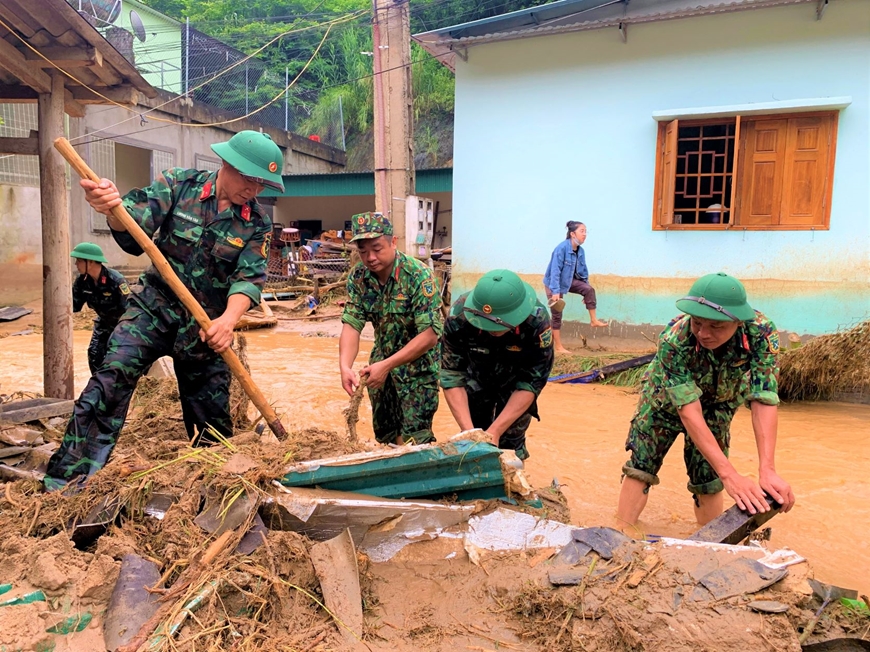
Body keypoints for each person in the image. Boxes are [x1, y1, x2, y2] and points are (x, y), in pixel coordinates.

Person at [44, 130, 283, 491]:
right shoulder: (179, 185)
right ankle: (67, 481)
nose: (253, 190)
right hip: (152, 310)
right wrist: (110, 210)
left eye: (261, 184)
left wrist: (227, 322)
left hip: (207, 326)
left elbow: (249, 278)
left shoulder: (256, 224)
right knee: (110, 378)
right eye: (249, 180)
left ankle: (213, 490)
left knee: (212, 418)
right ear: (226, 164)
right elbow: (132, 226)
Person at [615, 272, 795, 531]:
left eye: (716, 326)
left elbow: (764, 398)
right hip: (662, 402)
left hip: (718, 403)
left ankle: (711, 544)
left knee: (708, 477)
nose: (703, 333)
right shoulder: (674, 339)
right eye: (697, 322)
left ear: (738, 322)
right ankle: (621, 533)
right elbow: (688, 411)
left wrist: (767, 469)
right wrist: (731, 474)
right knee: (641, 466)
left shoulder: (761, 333)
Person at [339, 212, 443, 445]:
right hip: (380, 370)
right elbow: (352, 324)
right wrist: (344, 366)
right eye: (363, 251)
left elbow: (430, 336)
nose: (370, 257)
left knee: (416, 440)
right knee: (386, 437)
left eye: (376, 248)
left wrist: (387, 366)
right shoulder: (359, 277)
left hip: (418, 371)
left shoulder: (418, 276)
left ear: (393, 242)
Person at [440, 269, 554, 460]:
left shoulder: (537, 322)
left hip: (515, 384)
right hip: (475, 378)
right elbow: (452, 374)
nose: (492, 331)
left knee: (510, 445)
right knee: (474, 439)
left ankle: (512, 487)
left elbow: (531, 382)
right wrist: (470, 434)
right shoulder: (459, 317)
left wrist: (496, 430)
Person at [544, 221, 607, 354]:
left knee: (589, 290)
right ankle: (558, 347)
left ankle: (594, 320)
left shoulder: (581, 251)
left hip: (567, 281)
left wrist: (585, 291)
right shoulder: (561, 249)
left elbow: (583, 271)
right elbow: (555, 271)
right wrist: (555, 291)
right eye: (582, 231)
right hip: (553, 283)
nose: (585, 234)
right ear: (573, 234)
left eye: (586, 231)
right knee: (557, 314)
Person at [70, 242, 131, 374]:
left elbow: (130, 311)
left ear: (90, 262)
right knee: (95, 354)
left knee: (124, 358)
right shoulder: (82, 282)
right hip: (103, 323)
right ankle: (100, 388)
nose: (76, 264)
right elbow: (72, 306)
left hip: (123, 325)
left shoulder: (116, 280)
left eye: (79, 261)